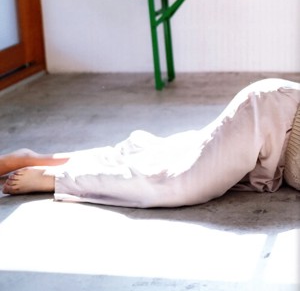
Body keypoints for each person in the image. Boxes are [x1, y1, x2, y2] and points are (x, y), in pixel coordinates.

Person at [1, 78, 299, 208]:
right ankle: (55, 177)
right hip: (275, 113)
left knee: (162, 156)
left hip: (279, 150)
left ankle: (37, 158)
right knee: (179, 183)